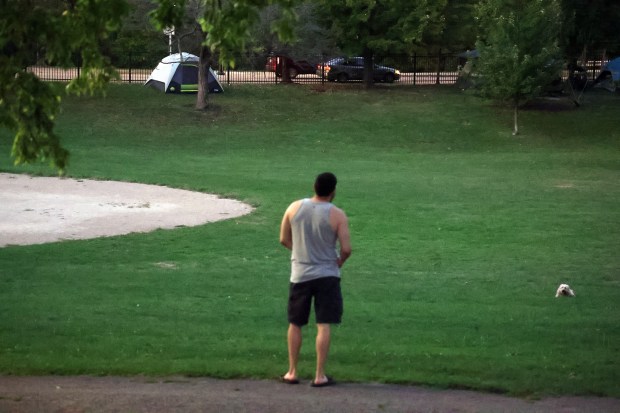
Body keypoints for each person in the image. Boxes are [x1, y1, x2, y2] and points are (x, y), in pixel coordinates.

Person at [279, 172, 352, 387]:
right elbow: (347, 249)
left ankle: (292, 372)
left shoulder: (294, 208)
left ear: (314, 186)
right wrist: (338, 261)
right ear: (333, 190)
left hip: (300, 274)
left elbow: (283, 238)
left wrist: (300, 253)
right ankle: (319, 375)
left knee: (295, 323)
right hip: (327, 275)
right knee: (323, 324)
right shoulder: (337, 214)